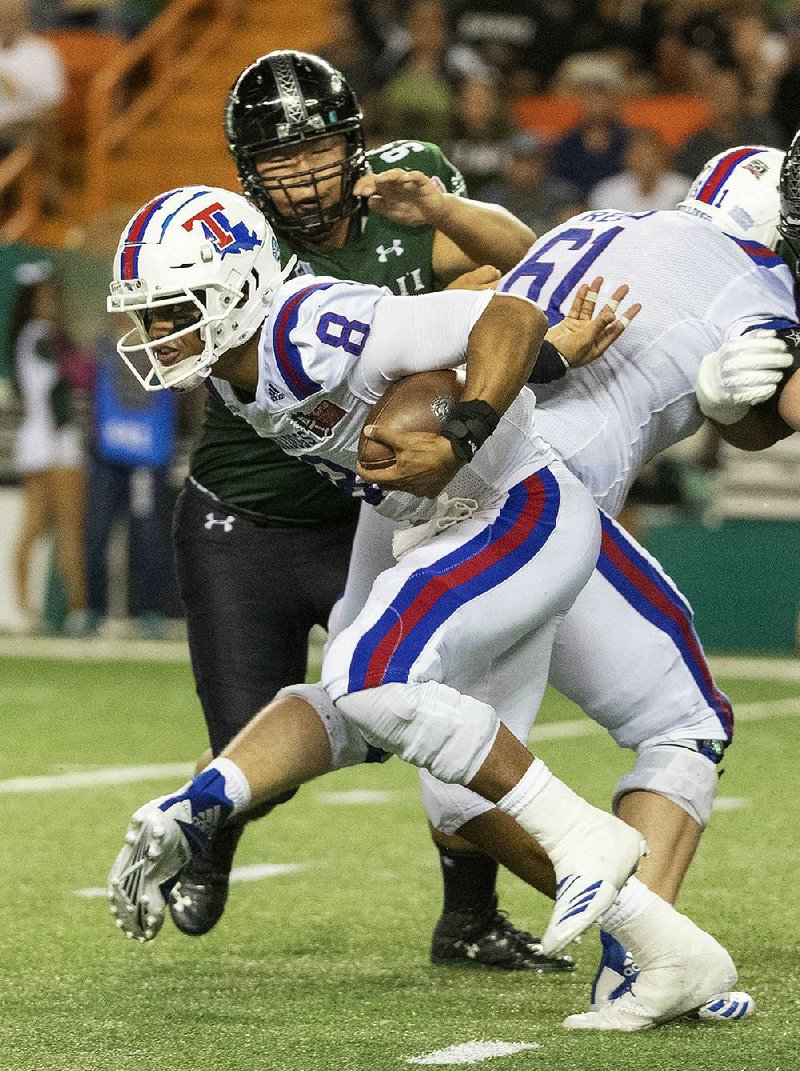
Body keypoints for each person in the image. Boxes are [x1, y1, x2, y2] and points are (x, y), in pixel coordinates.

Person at [106, 183, 737, 1032]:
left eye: (174, 311)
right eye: (150, 316)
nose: (157, 335)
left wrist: (465, 428)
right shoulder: (237, 376)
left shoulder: (313, 330)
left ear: (236, 291)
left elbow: (506, 313)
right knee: (398, 740)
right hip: (419, 518)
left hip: (517, 502)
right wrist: (196, 803)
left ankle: (592, 837)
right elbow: (340, 709)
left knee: (365, 670)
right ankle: (671, 952)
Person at [172, 49, 567, 972]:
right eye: (278, 160)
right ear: (246, 171)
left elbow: (529, 270)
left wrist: (442, 212)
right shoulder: (235, 241)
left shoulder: (409, 184)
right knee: (260, 752)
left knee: (445, 707)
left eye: (317, 151)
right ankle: (210, 837)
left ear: (354, 139)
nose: (303, 176)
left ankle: (466, 918)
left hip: (381, 513)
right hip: (249, 520)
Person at [8, 258, 88, 636]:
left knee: (35, 527)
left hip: (34, 438)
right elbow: (77, 376)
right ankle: (77, 612)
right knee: (69, 529)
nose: (53, 301)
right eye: (48, 294)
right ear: (36, 297)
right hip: (57, 441)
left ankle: (24, 610)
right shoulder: (44, 336)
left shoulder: (24, 336)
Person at [85, 322, 177, 638]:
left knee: (148, 537)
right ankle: (93, 610)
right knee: (97, 534)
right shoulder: (104, 345)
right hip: (110, 456)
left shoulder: (171, 346)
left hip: (146, 459)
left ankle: (149, 610)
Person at [588, 127, 691, 213]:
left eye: (651, 155)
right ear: (627, 158)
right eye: (639, 156)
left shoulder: (684, 190)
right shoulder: (607, 192)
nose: (646, 161)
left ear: (664, 157)